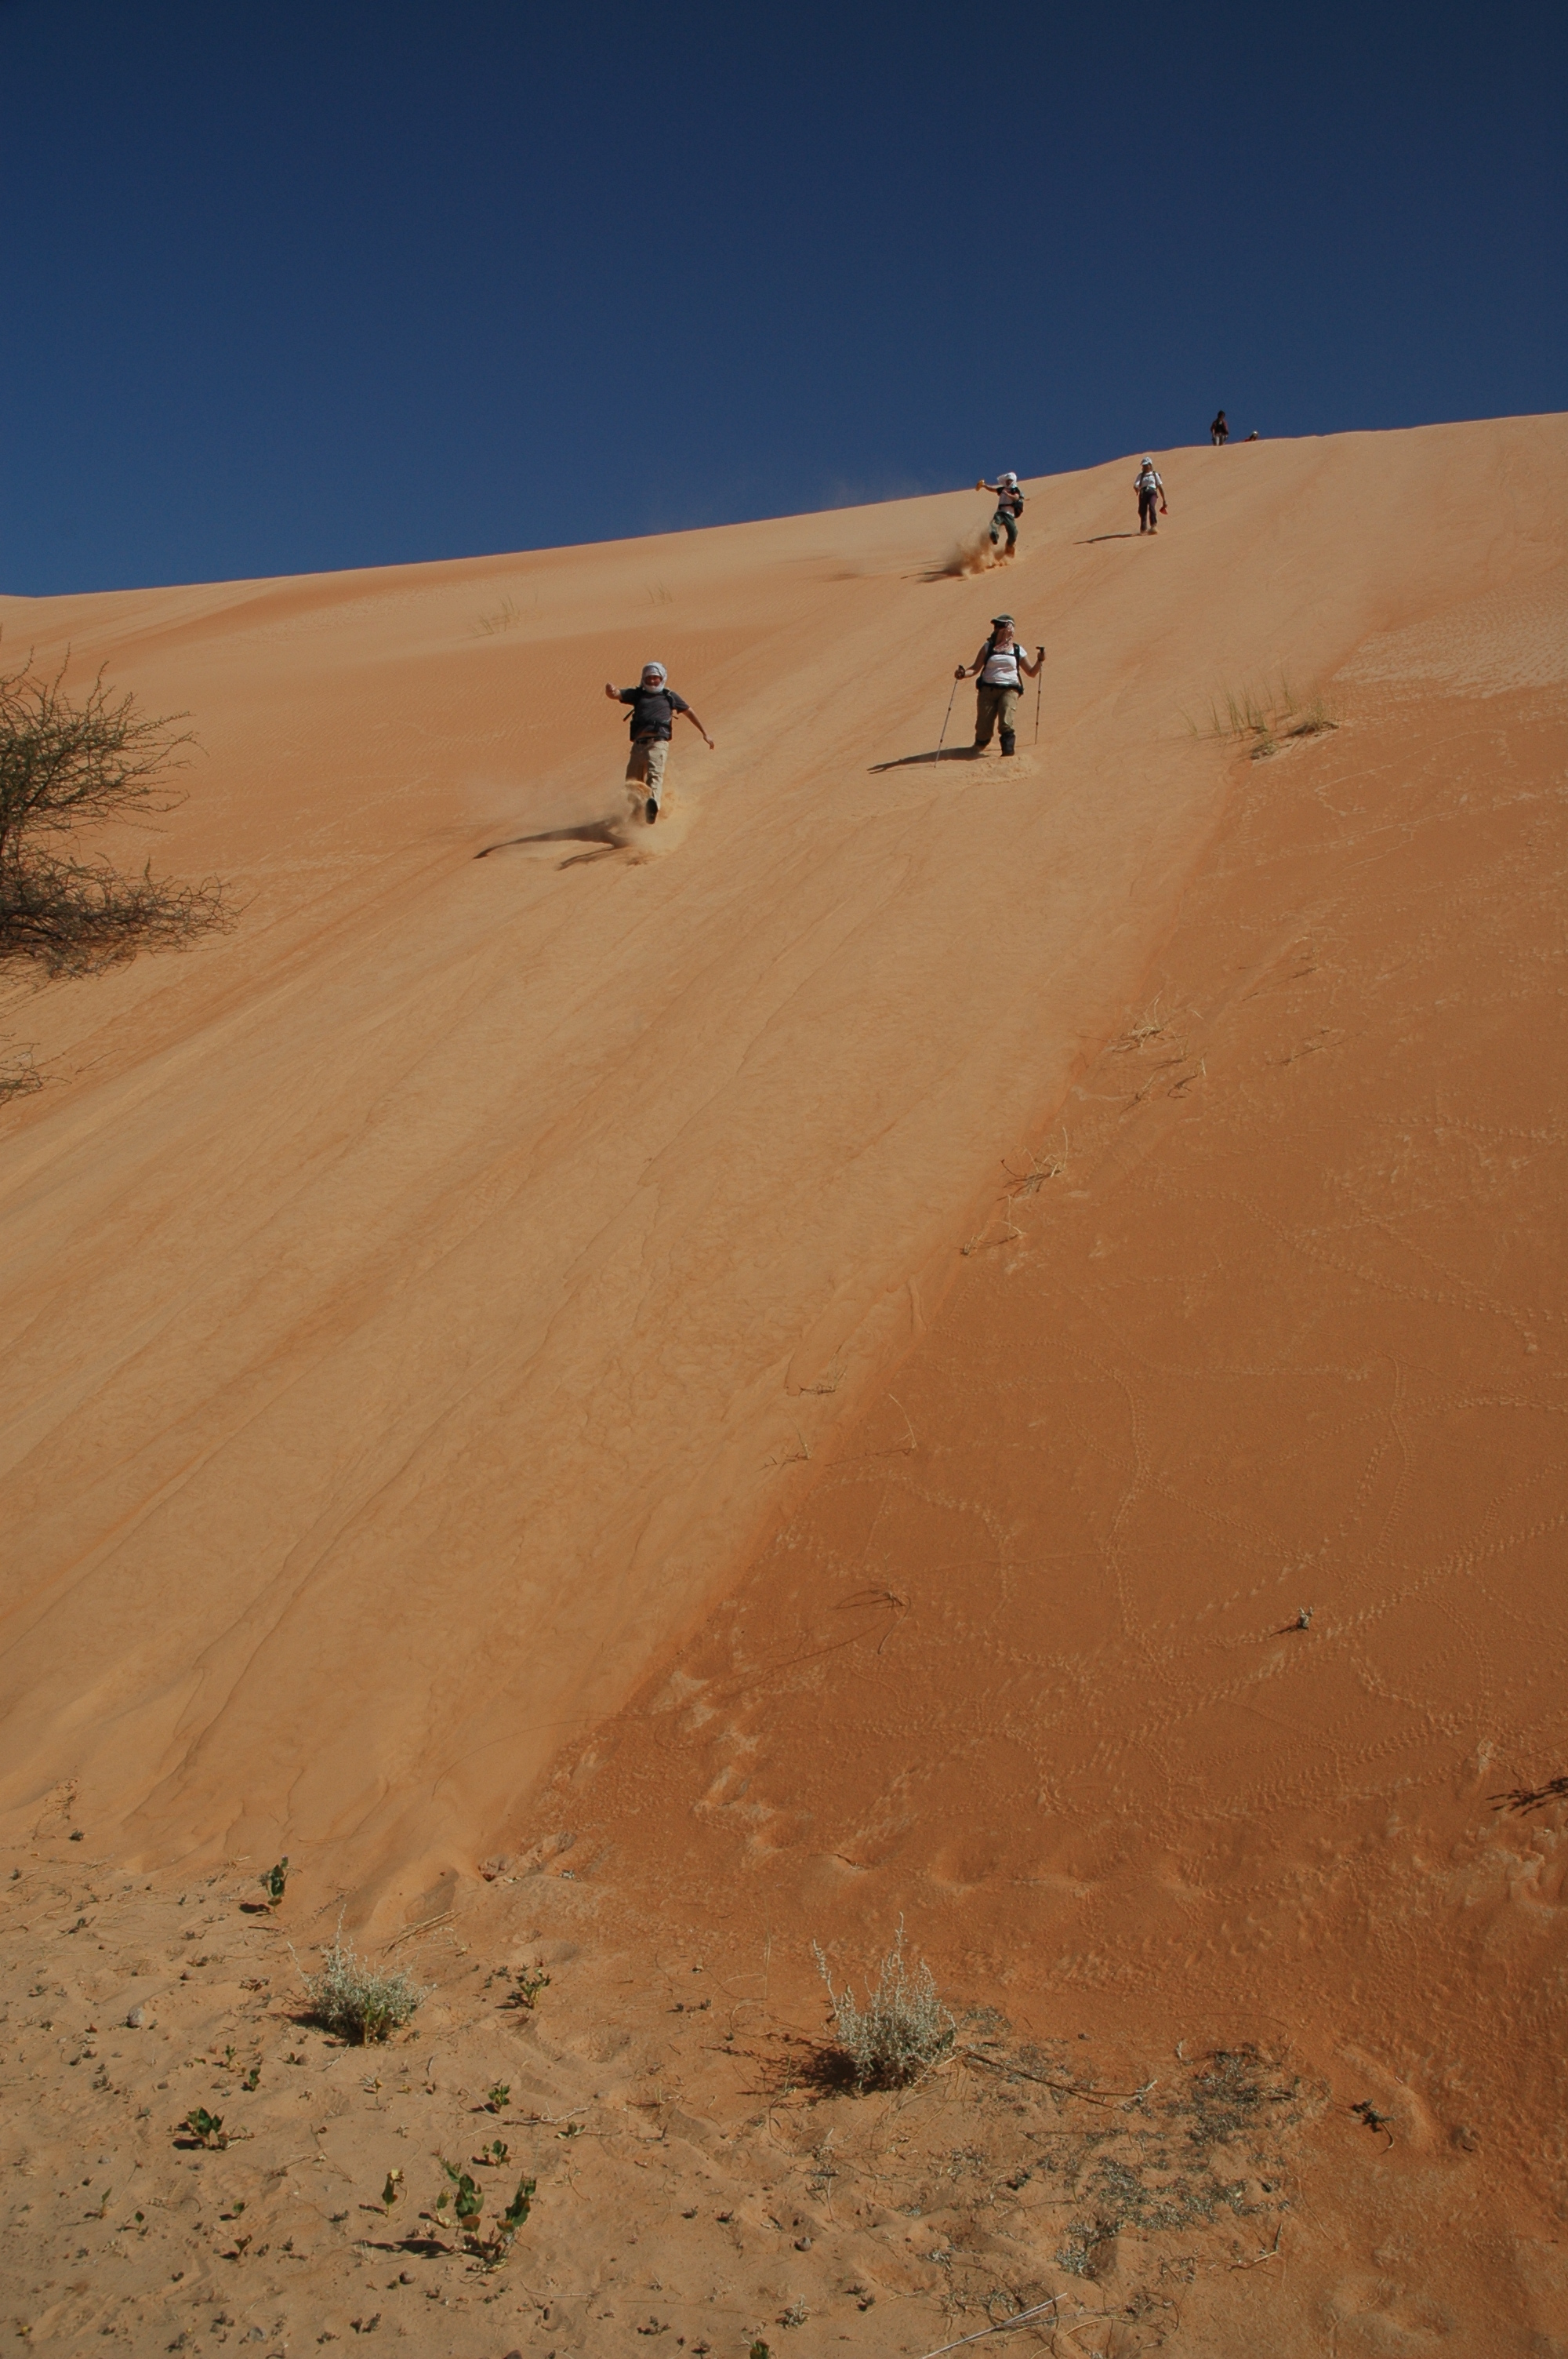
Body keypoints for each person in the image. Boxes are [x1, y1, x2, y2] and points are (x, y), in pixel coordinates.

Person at [603, 660, 713, 823]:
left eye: (656, 677)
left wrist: (705, 733)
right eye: (649, 678)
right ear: (643, 679)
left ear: (662, 678)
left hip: (658, 743)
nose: (652, 681)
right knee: (632, 782)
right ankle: (639, 811)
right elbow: (616, 694)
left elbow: (689, 712)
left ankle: (653, 806)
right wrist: (610, 691)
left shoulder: (670, 696)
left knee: (655, 775)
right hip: (638, 746)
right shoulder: (638, 694)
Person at [954, 614, 1044, 757]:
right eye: (996, 626)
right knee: (983, 727)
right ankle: (980, 744)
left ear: (1010, 628)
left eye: (1001, 626)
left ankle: (1008, 754)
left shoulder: (1017, 650)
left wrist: (1040, 661)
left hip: (1010, 689)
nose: (998, 629)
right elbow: (975, 668)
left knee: (1006, 721)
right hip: (987, 690)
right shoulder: (988, 647)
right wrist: (963, 674)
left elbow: (1031, 672)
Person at [975, 471, 1025, 558]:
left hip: (1009, 515)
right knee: (993, 525)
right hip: (1000, 513)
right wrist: (984, 486)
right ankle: (994, 537)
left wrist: (1007, 494)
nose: (1008, 482)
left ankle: (1009, 548)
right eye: (1007, 480)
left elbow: (1016, 497)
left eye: (1010, 480)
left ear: (1013, 481)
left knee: (1013, 533)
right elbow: (992, 489)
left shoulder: (1015, 489)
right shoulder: (1002, 489)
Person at [1134, 457, 1167, 534]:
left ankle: (1153, 526)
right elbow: (1136, 485)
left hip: (1152, 492)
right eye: (1143, 465)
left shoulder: (1155, 475)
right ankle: (1143, 529)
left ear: (1150, 465)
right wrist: (1136, 489)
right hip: (1143, 494)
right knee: (1142, 511)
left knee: (1152, 507)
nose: (1144, 467)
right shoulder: (1141, 476)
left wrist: (1164, 500)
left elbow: (1160, 487)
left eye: (1146, 465)